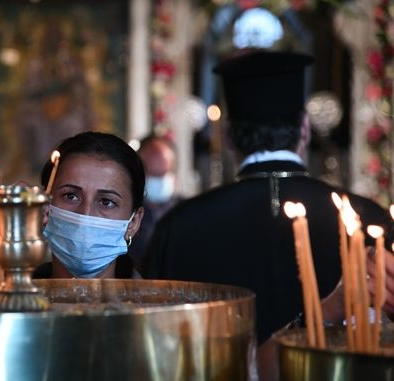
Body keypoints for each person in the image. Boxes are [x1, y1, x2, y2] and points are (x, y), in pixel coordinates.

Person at [143, 51, 391, 346]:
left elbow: (154, 338)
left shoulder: (180, 225)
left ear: (228, 135)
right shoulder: (367, 218)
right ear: (305, 129)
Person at [0, 131, 145, 279]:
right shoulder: (18, 298)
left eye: (106, 202)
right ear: (43, 206)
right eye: (70, 196)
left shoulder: (152, 307)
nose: (85, 215)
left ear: (133, 222)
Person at [128, 134, 183, 274]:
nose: (157, 180)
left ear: (174, 175)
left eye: (162, 174)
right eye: (151, 174)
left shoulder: (190, 213)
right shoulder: (125, 215)